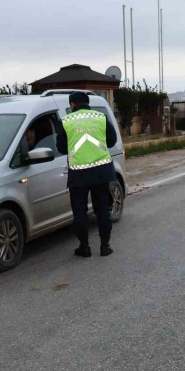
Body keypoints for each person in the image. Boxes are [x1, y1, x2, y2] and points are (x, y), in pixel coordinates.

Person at [56, 92, 118, 257]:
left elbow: (61, 148)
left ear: (72, 104)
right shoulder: (101, 117)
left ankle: (84, 247)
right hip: (101, 170)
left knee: (79, 212)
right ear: (87, 103)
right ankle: (105, 246)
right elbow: (112, 141)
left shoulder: (66, 121)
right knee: (103, 210)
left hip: (78, 173)